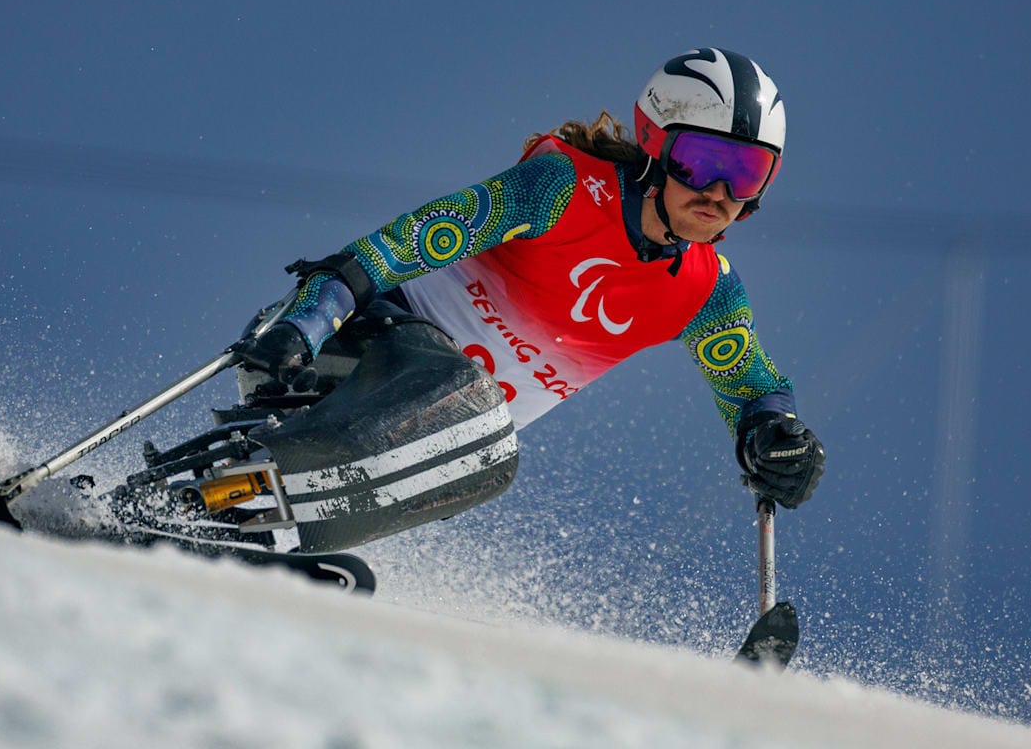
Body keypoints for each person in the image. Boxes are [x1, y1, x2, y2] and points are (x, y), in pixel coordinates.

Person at [234, 47, 825, 519]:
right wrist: (305, 323)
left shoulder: (706, 292)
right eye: (703, 161)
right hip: (348, 346)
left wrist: (777, 440)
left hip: (426, 444)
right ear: (656, 144)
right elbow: (402, 245)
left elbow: (754, 391)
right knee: (480, 428)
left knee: (485, 459)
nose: (720, 193)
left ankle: (252, 519)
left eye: (747, 173)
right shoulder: (563, 189)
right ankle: (250, 492)